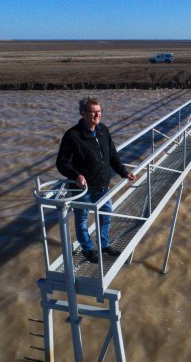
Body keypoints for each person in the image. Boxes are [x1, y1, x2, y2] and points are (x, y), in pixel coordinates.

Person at [56, 97, 135, 263]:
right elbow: (62, 163)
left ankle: (104, 244)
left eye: (99, 111)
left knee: (106, 214)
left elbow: (112, 155)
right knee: (82, 218)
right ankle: (87, 249)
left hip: (102, 185)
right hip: (83, 188)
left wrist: (123, 172)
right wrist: (75, 175)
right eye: (93, 112)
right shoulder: (72, 136)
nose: (97, 115)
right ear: (82, 113)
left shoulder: (103, 130)